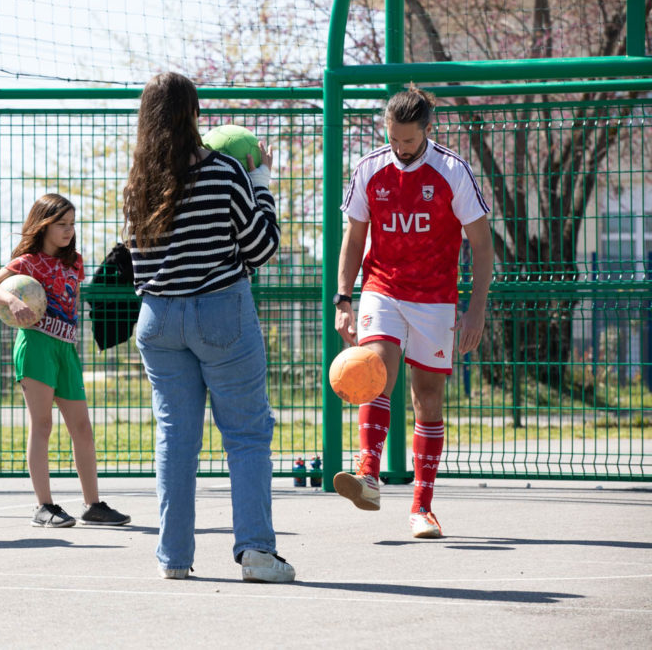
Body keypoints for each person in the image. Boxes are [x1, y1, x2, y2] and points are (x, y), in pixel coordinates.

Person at [122, 71, 295, 583]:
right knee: (245, 435)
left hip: (157, 318)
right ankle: (257, 554)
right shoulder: (223, 171)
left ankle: (173, 558)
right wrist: (261, 184)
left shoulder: (136, 183)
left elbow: (138, 261)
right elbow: (261, 247)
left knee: (175, 438)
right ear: (194, 114)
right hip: (221, 309)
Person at [332, 86, 494, 538]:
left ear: (427, 128)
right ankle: (368, 476)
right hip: (381, 287)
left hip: (435, 298)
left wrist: (476, 308)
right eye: (393, 138)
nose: (399, 148)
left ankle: (422, 507)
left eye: (407, 139)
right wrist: (343, 298)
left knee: (427, 397)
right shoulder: (370, 169)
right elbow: (353, 238)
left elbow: (483, 246)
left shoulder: (451, 171)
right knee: (375, 368)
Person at [0, 193, 131, 528]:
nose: (68, 230)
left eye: (72, 224)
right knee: (42, 424)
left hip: (66, 349)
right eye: (61, 224)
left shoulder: (75, 261)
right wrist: (10, 300)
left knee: (82, 429)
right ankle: (44, 506)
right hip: (35, 346)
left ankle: (93, 505)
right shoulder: (27, 262)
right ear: (43, 225)